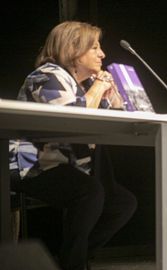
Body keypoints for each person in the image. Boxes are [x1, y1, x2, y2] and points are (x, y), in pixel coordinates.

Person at [11, 21, 137, 270]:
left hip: (71, 166)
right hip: (31, 165)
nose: (102, 54)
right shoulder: (46, 76)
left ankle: (69, 258)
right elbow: (74, 119)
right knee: (89, 192)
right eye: (95, 48)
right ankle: (73, 262)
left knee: (122, 203)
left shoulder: (87, 85)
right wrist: (101, 86)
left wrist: (115, 97)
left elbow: (118, 121)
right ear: (73, 50)